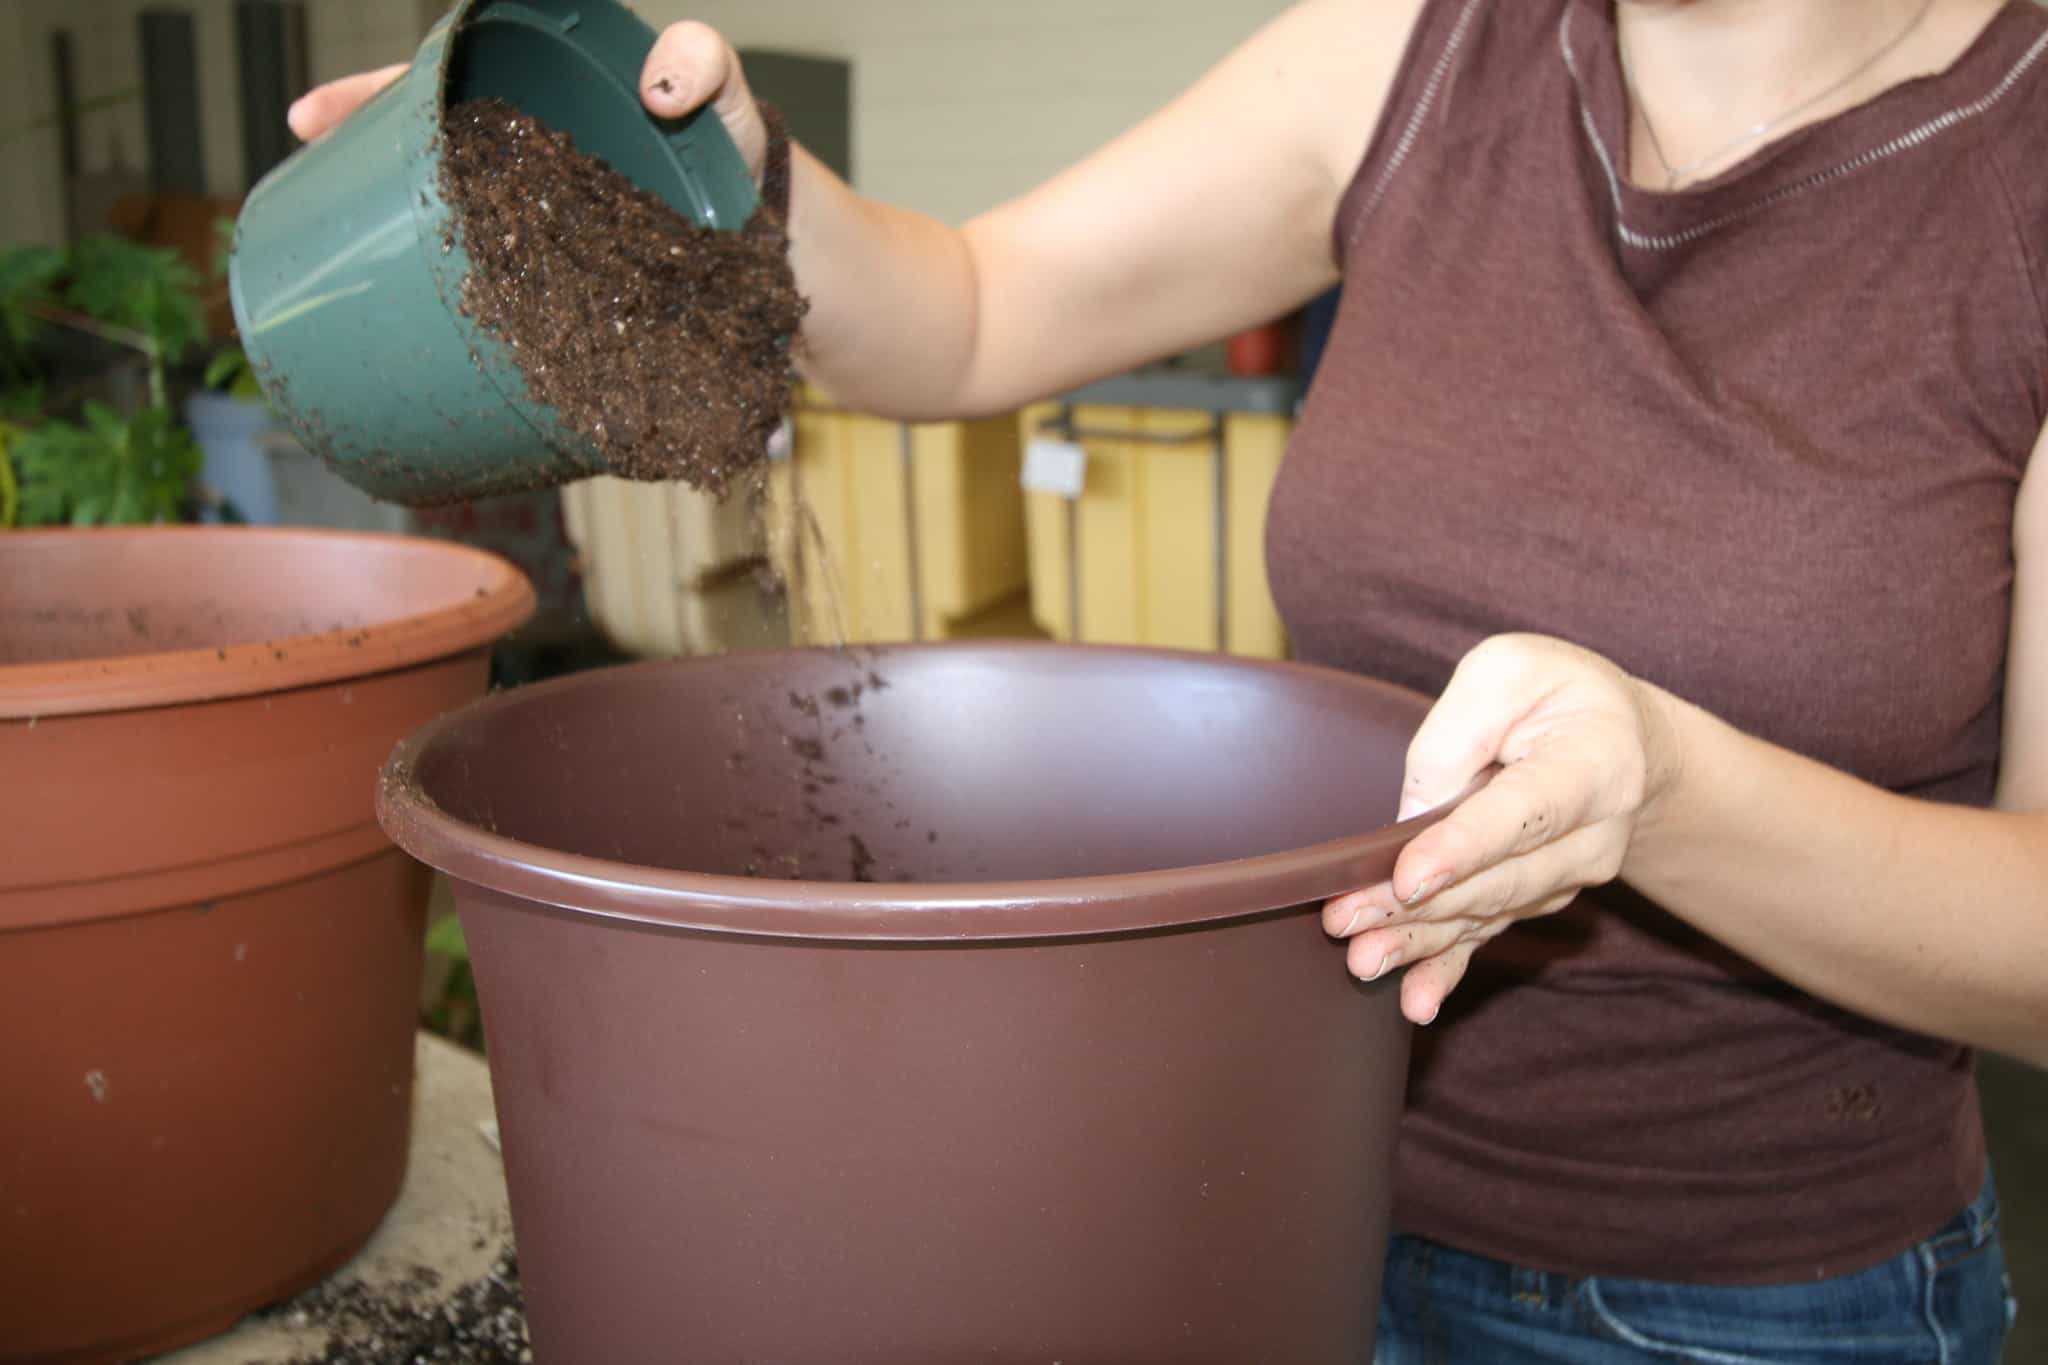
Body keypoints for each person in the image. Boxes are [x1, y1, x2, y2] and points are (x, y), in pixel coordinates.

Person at [293, 1, 2043, 1358]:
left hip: (1747, 1295)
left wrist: (1667, 788)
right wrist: (726, 188)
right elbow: (978, 308)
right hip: (1269, 1191)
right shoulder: (1421, 53)